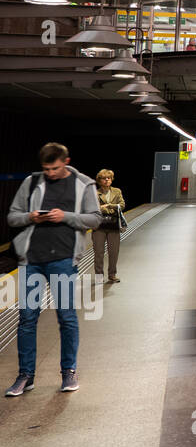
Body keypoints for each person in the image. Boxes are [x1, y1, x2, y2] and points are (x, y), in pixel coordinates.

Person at [5, 143, 103, 397]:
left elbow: (94, 218)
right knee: (27, 319)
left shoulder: (84, 184)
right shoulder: (31, 182)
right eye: (46, 169)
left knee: (66, 317)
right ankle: (26, 376)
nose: (50, 173)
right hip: (32, 260)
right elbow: (12, 217)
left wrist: (66, 217)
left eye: (55, 168)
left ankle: (68, 372)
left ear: (66, 161)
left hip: (62, 260)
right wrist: (31, 217)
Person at [91, 169, 124, 284]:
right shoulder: (94, 193)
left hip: (113, 226)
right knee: (98, 252)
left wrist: (108, 205)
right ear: (99, 180)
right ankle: (99, 276)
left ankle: (112, 274)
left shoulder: (117, 191)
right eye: (104, 178)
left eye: (108, 178)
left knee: (114, 251)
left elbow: (122, 205)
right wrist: (111, 209)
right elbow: (95, 208)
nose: (106, 180)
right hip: (99, 226)